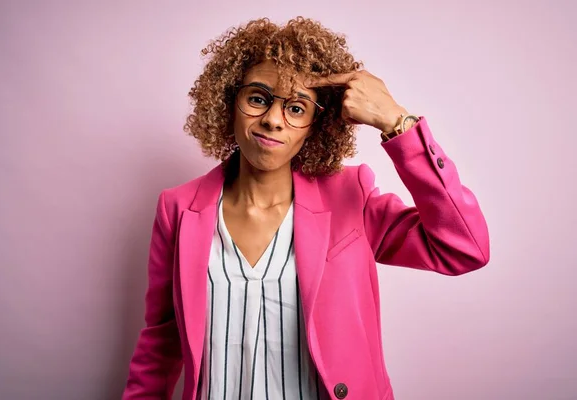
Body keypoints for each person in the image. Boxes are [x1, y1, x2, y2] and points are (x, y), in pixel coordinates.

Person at [122, 16, 490, 400]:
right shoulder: (178, 209)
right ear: (230, 101)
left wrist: (397, 122)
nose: (273, 120)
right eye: (259, 98)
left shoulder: (353, 196)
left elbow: (464, 248)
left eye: (296, 108)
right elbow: (160, 346)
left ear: (316, 124)